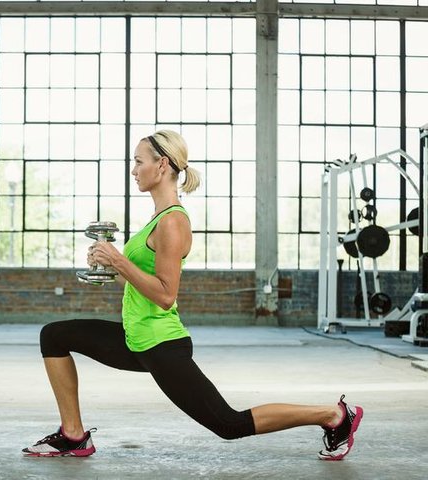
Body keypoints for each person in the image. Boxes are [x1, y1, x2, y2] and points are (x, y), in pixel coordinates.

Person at [22, 130, 363, 460]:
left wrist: (120, 262)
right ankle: (73, 435)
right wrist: (111, 267)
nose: (133, 169)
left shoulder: (173, 222)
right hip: (134, 338)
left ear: (163, 165)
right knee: (54, 335)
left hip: (160, 344)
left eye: (138, 161)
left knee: (229, 424)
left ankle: (333, 415)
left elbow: (166, 295)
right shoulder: (155, 219)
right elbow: (144, 279)